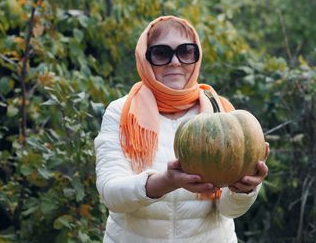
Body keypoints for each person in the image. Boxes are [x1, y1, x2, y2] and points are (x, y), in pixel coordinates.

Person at [94, 15, 269, 243]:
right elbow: (111, 195)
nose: (175, 62)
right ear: (145, 58)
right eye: (161, 53)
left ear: (196, 56)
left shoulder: (221, 113)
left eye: (186, 51)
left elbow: (228, 211)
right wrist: (166, 181)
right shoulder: (122, 112)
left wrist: (243, 189)